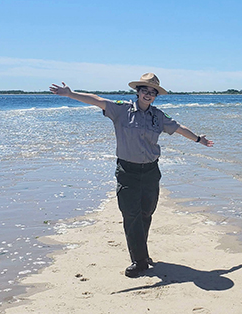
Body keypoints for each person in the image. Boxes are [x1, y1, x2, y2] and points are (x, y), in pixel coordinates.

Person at [50, 73, 213, 277]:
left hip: (152, 171)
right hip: (128, 171)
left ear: (155, 96)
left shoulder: (158, 116)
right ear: (137, 91)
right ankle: (139, 260)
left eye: (152, 92)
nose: (148, 94)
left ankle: (141, 252)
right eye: (145, 90)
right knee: (131, 214)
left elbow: (178, 128)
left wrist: (198, 139)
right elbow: (97, 100)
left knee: (146, 212)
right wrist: (70, 94)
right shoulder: (121, 110)